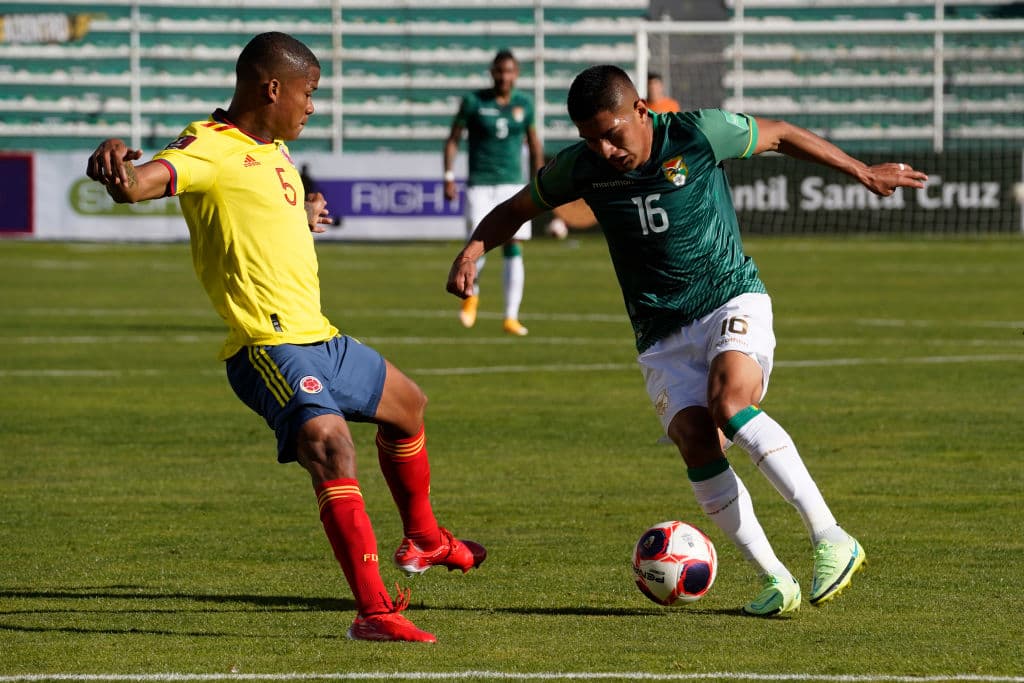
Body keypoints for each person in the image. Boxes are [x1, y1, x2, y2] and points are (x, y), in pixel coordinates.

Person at [448, 64, 929, 617]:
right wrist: (471, 252)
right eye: (590, 138)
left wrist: (858, 169)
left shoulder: (698, 133)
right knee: (696, 442)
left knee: (729, 404)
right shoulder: (581, 168)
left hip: (729, 297)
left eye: (612, 133)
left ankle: (831, 537)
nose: (604, 149)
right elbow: (515, 209)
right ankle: (777, 579)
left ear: (641, 112)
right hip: (659, 335)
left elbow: (782, 133)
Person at [86, 31, 484, 643]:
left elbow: (255, 215)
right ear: (273, 88)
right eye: (309, 91)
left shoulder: (273, 151)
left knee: (409, 408)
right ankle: (376, 611)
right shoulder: (207, 144)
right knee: (331, 446)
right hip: (266, 345)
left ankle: (426, 540)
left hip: (319, 336)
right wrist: (116, 163)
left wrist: (303, 214)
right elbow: (139, 184)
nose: (313, 105)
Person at [443, 48, 545, 336]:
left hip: (513, 183)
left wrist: (540, 177)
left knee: (514, 246)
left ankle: (510, 316)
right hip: (480, 183)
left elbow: (534, 142)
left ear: (517, 74)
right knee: (479, 241)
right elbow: (452, 140)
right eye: (500, 71)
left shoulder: (524, 104)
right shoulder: (474, 102)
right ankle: (470, 295)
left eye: (509, 71)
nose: (504, 76)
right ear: (492, 73)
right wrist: (448, 176)